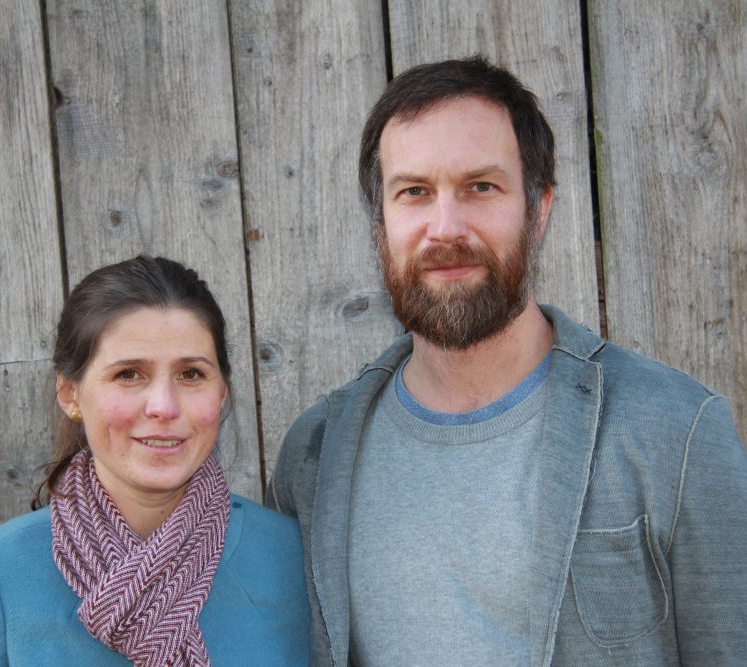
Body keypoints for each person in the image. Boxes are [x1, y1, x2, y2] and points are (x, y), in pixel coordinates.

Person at [267, 55, 747, 665]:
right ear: (379, 223)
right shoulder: (314, 457)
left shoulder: (676, 433)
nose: (446, 228)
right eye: (414, 192)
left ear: (538, 209)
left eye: (480, 187)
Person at [0, 256, 310, 665]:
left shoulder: (294, 558)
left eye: (191, 374)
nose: (164, 407)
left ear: (221, 392)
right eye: (129, 374)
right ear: (70, 394)